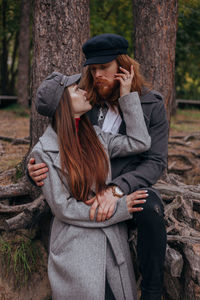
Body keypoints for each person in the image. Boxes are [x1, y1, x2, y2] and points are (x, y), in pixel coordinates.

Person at [28, 34, 169, 300]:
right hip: (83, 203)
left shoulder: (151, 105)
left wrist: (117, 190)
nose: (96, 76)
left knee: (149, 207)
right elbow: (56, 141)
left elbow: (152, 157)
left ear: (124, 67)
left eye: (104, 68)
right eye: (92, 70)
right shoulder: (87, 104)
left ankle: (151, 292)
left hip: (125, 187)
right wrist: (31, 169)